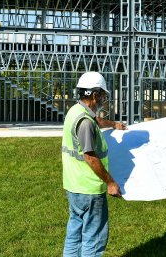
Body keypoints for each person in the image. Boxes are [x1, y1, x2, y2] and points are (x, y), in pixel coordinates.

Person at [61, 71, 127, 257]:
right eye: (103, 95)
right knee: (94, 237)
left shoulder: (76, 111)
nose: (103, 99)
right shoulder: (85, 123)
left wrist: (113, 124)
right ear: (95, 95)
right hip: (89, 189)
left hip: (73, 185)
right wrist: (111, 183)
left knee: (75, 233)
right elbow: (90, 158)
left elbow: (96, 120)